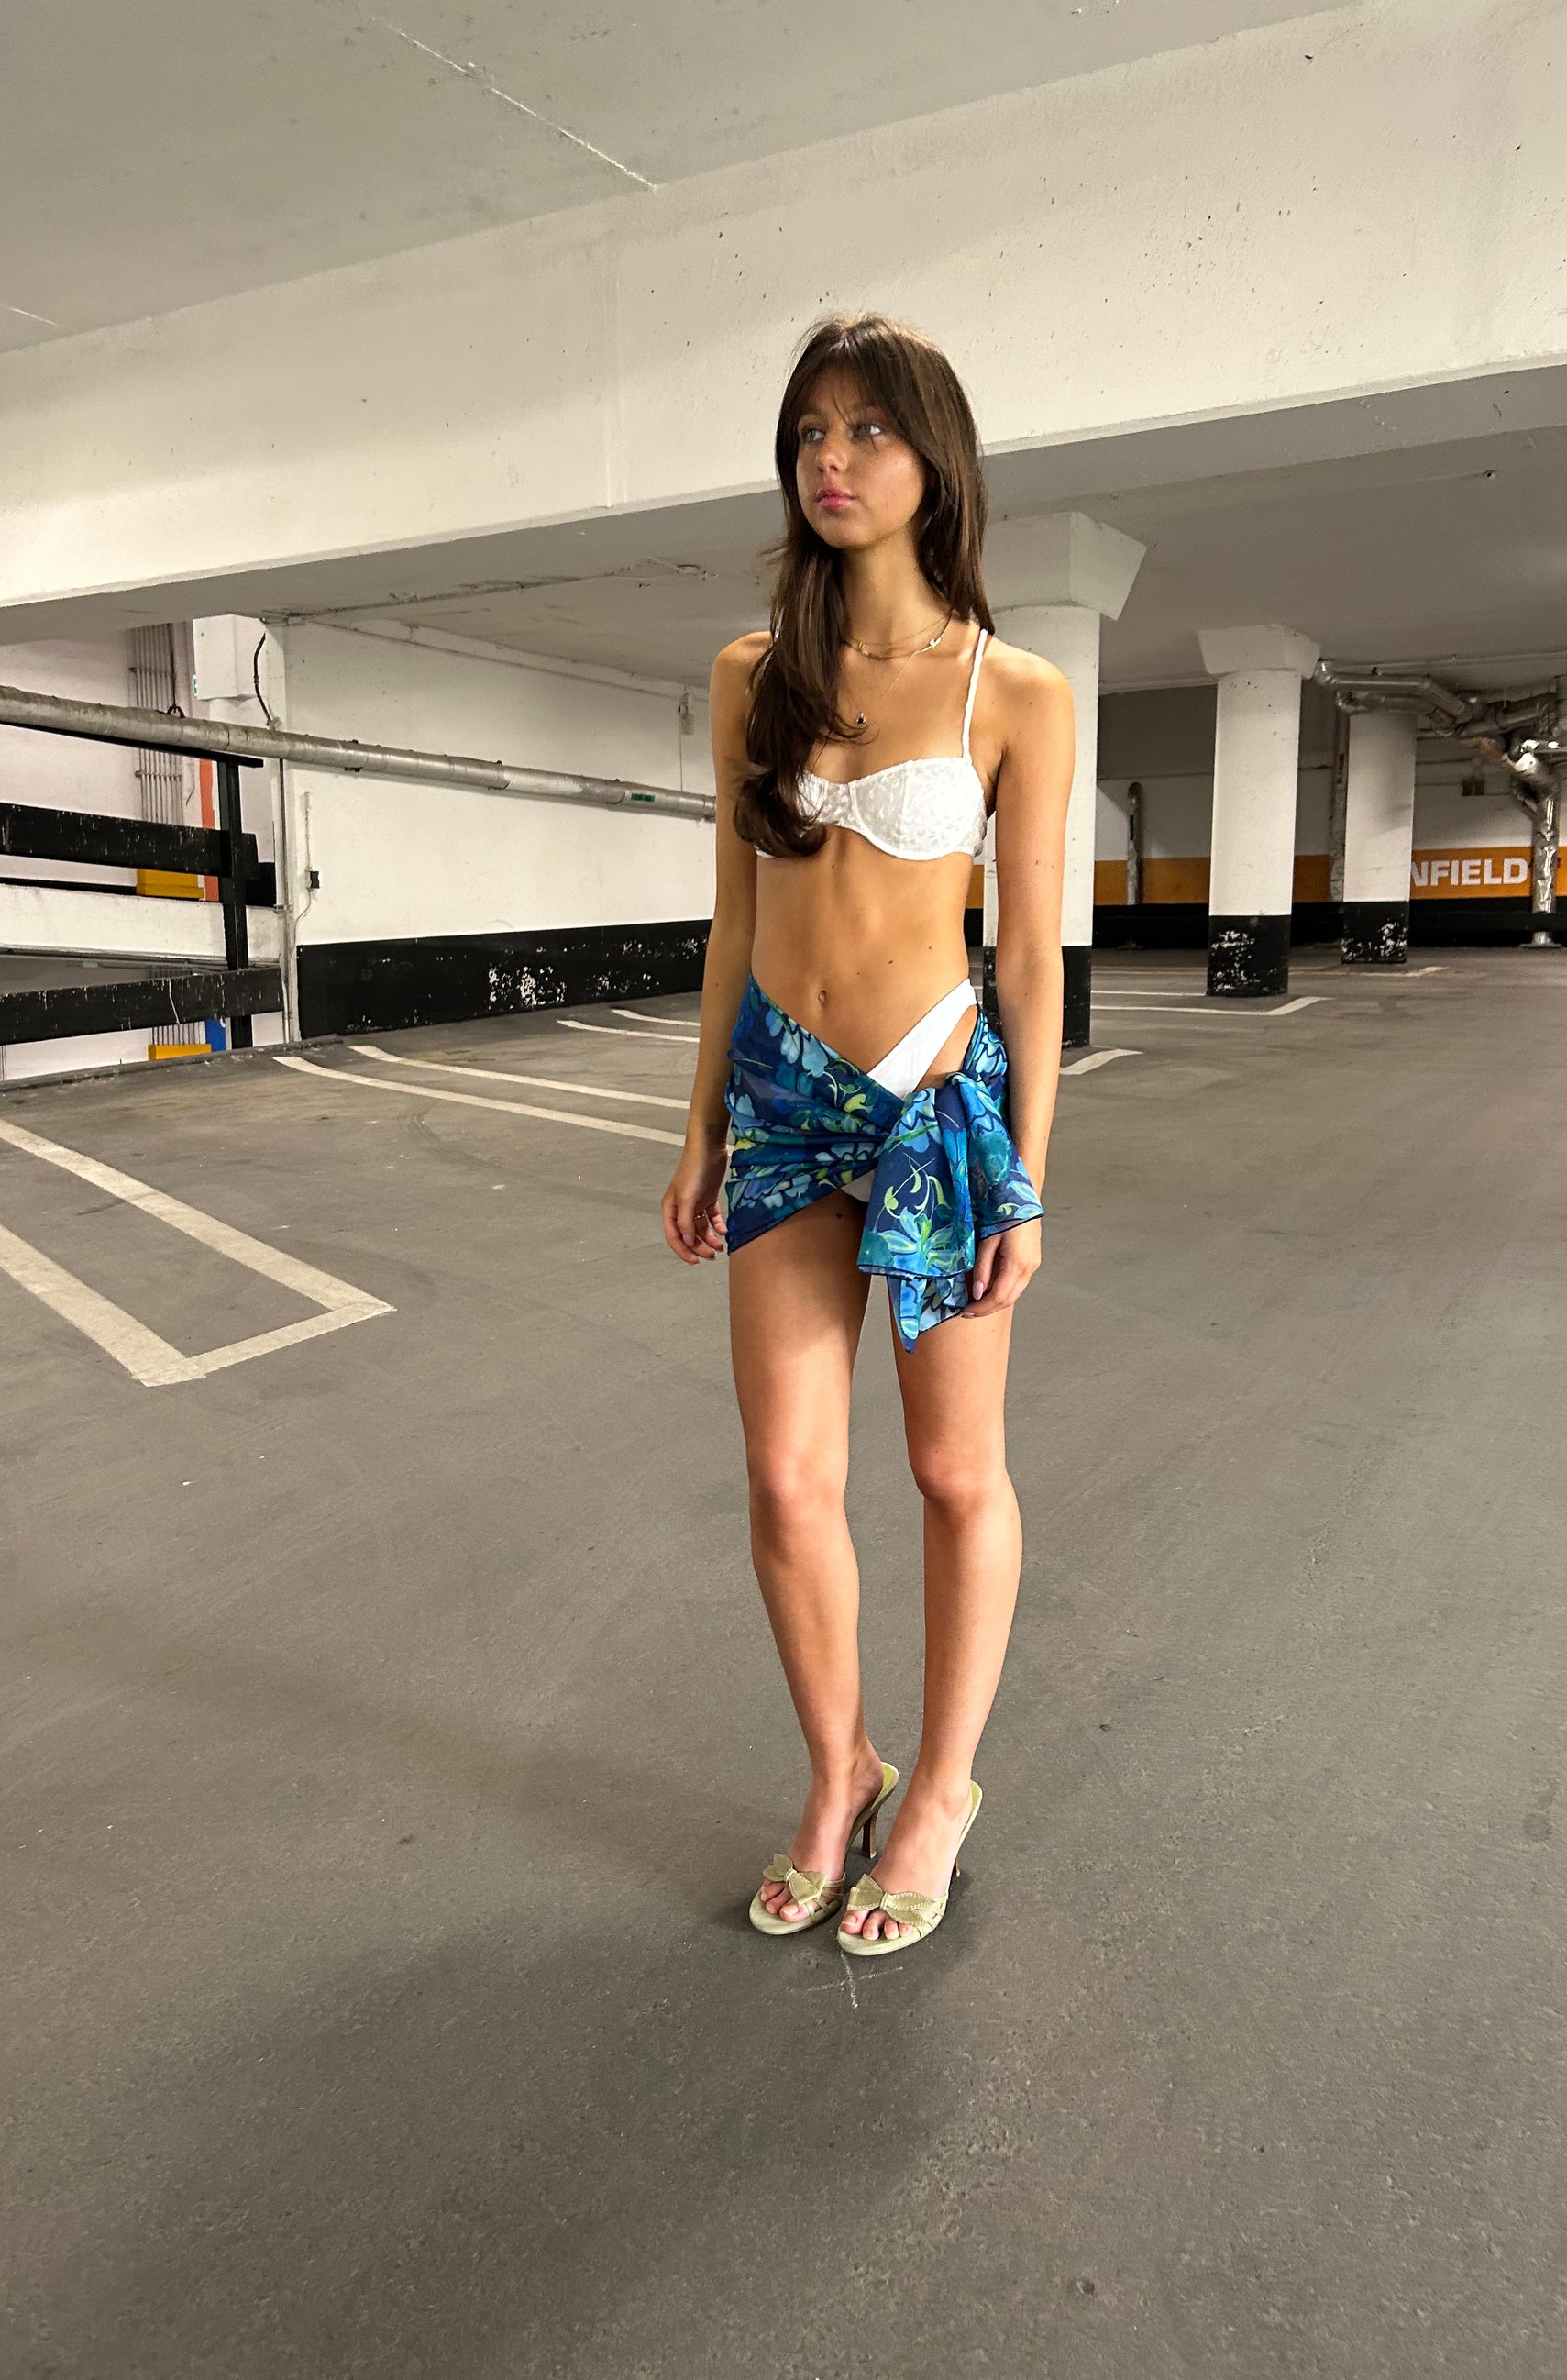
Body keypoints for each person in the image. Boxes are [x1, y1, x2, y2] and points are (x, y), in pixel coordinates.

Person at [660, 313, 1074, 1957]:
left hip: (930, 1103)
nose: (830, 461)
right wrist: (699, 1124)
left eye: (867, 432)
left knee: (952, 1470)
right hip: (780, 1102)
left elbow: (1029, 960)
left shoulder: (1012, 690)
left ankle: (942, 1789)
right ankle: (839, 1773)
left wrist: (1023, 1183)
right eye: (809, 434)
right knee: (784, 1483)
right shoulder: (748, 675)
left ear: (933, 460)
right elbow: (728, 917)